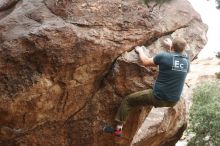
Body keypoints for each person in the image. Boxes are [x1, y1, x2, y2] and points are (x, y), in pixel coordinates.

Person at [113, 38, 190, 136]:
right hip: (173, 101)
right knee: (141, 101)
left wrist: (140, 51)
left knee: (128, 100)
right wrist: (173, 47)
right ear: (183, 49)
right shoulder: (187, 62)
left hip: (158, 96)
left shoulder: (164, 56)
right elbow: (176, 60)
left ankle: (118, 128)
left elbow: (145, 62)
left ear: (172, 47)